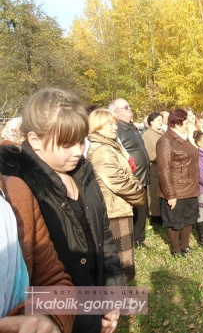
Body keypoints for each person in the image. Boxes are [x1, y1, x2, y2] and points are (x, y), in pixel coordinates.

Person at [0, 88, 123, 333]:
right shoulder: (19, 192)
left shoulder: (85, 174)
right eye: (66, 144)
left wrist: (113, 291)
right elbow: (36, 276)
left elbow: (104, 236)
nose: (78, 151)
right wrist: (84, 321)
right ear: (35, 140)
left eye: (81, 141)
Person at [0, 173, 74, 333]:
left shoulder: (16, 191)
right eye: (67, 145)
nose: (77, 153)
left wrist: (47, 317)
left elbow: (54, 282)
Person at [87, 109, 146, 283]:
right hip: (114, 211)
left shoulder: (109, 145)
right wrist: (140, 194)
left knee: (122, 262)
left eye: (115, 123)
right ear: (97, 127)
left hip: (119, 208)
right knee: (120, 264)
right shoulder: (103, 150)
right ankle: (118, 304)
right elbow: (119, 182)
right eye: (109, 124)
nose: (115, 127)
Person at [156, 109, 199, 257]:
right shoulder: (165, 141)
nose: (188, 124)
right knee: (174, 220)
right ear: (177, 122)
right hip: (176, 189)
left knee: (189, 217)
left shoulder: (184, 137)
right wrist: (170, 194)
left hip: (190, 186)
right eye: (186, 122)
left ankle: (185, 245)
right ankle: (175, 249)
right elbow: (164, 169)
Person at [109, 98, 150, 248]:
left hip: (143, 175)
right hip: (131, 178)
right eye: (126, 107)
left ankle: (140, 239)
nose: (130, 109)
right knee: (131, 210)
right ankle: (130, 240)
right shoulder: (116, 129)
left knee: (142, 209)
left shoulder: (131, 127)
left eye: (130, 106)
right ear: (115, 112)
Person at [142, 112, 164, 226]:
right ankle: (155, 218)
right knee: (154, 193)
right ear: (151, 122)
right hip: (154, 169)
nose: (161, 122)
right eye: (158, 120)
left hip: (164, 168)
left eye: (161, 120)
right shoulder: (147, 135)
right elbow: (149, 154)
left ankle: (162, 215)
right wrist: (163, 158)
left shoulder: (162, 133)